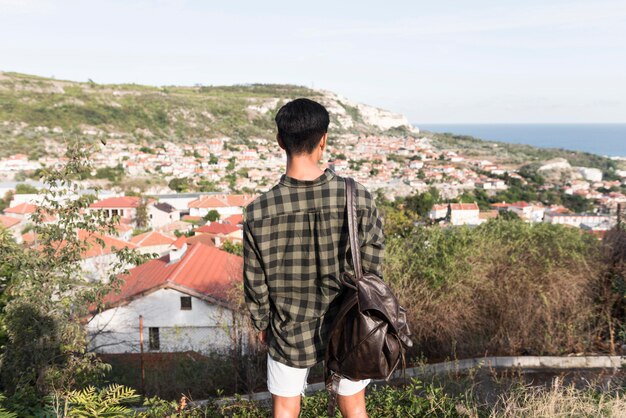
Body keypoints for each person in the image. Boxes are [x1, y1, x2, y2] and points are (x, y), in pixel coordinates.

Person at [243, 98, 384, 418]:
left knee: (285, 408)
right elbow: (373, 260)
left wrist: (262, 321)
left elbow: (254, 280)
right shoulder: (356, 195)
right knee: (354, 406)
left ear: (280, 141)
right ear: (324, 140)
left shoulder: (258, 211)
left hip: (287, 327)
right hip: (349, 322)